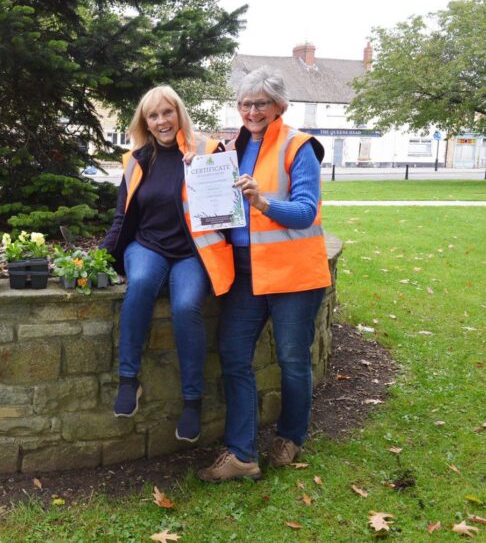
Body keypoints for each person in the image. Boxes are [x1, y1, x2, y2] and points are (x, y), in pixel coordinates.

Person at [197, 66, 329, 482]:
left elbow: (306, 211)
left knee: (293, 360)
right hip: (245, 274)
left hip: (293, 275)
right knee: (234, 356)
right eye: (244, 103)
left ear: (279, 107)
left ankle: (290, 436)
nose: (251, 110)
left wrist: (263, 202)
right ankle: (242, 454)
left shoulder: (298, 146)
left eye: (260, 103)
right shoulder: (229, 147)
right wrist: (194, 165)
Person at [100, 85, 234, 442]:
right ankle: (129, 380)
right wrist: (99, 257)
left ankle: (192, 402)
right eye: (153, 115)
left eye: (167, 112)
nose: (161, 121)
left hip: (192, 252)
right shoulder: (137, 160)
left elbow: (227, 211)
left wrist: (205, 173)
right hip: (147, 245)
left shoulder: (207, 151)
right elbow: (120, 217)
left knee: (187, 305)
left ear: (179, 113)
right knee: (141, 282)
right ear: (145, 122)